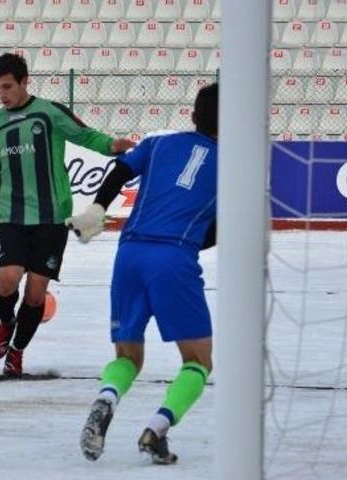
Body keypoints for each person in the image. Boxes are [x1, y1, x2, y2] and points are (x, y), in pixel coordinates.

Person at [0, 53, 135, 376]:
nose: (2, 94)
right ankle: (6, 322)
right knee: (7, 280)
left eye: (7, 86)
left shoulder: (49, 112)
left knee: (36, 292)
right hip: (12, 214)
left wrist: (111, 146)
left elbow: (85, 134)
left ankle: (17, 351)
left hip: (52, 217)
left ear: (25, 82)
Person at [68, 83, 219, 464]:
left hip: (130, 252)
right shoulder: (236, 162)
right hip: (174, 257)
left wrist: (98, 209)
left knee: (128, 356)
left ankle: (106, 398)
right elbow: (223, 227)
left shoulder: (160, 143)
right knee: (198, 360)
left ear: (192, 115)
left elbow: (120, 170)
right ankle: (156, 429)